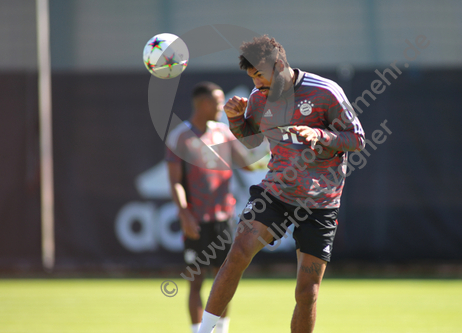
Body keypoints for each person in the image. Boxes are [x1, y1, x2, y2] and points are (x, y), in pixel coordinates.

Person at [197, 36, 365, 333]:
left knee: (307, 293)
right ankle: (204, 331)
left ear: (279, 65)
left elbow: (357, 139)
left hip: (321, 202)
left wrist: (321, 136)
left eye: (260, 75)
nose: (257, 84)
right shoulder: (260, 97)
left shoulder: (326, 92)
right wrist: (236, 120)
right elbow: (253, 140)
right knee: (237, 253)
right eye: (252, 78)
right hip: (275, 193)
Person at [166, 81, 250, 333]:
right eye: (217, 101)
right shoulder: (181, 137)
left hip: (224, 219)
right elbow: (175, 182)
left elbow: (246, 164)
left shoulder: (223, 132)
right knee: (195, 281)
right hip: (196, 221)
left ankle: (221, 331)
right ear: (203, 103)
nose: (221, 106)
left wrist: (250, 133)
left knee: (224, 279)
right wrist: (184, 215)